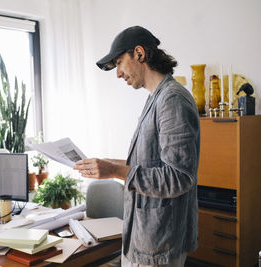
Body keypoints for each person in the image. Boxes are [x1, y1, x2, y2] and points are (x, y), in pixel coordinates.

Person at [74, 26, 200, 267]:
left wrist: (113, 171)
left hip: (159, 243)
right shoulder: (156, 97)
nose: (118, 74)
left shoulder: (172, 100)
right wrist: (108, 164)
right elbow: (149, 164)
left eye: (120, 63)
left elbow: (178, 177)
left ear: (139, 54)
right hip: (144, 237)